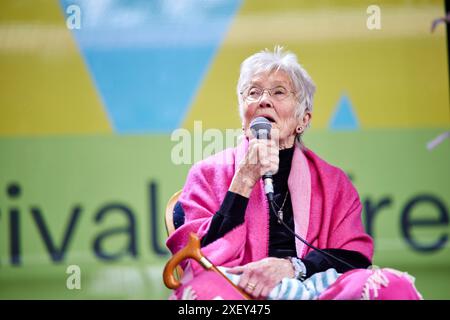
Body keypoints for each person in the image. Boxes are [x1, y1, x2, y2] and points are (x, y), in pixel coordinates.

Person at [166, 46, 422, 300]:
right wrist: (243, 182)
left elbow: (355, 257)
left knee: (390, 285)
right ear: (244, 117)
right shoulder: (207, 174)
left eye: (279, 92)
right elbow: (197, 261)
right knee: (199, 293)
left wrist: (293, 267)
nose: (264, 100)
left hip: (314, 289)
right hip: (238, 289)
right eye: (253, 92)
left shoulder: (334, 183)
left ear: (304, 120)